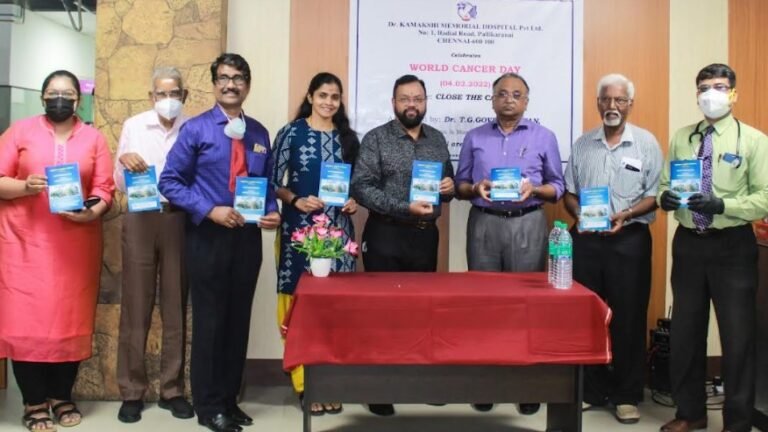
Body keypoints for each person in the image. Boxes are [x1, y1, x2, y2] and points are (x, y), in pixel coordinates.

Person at [158, 53, 281, 432]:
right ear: (214, 84)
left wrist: (272, 210)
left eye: (239, 78)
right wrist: (209, 210)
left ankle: (229, 399)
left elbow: (268, 184)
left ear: (248, 84)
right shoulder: (195, 130)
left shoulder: (259, 133)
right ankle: (208, 405)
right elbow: (169, 182)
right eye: (224, 78)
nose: (231, 84)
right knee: (211, 321)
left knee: (237, 320)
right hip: (208, 236)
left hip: (246, 238)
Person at [0, 70, 115, 431]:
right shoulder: (20, 132)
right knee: (26, 325)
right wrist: (24, 186)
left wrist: (90, 211)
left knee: (69, 321)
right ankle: (34, 402)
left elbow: (104, 189)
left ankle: (62, 396)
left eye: (67, 93)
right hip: (24, 246)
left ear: (78, 100)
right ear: (42, 97)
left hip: (74, 247)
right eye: (53, 92)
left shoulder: (93, 138)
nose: (59, 98)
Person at [658, 63, 768, 432]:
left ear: (733, 93)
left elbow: (765, 198)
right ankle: (690, 413)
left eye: (720, 87)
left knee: (738, 337)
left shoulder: (753, 140)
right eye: (704, 87)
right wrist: (666, 199)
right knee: (686, 332)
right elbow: (663, 183)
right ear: (696, 94)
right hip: (689, 243)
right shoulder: (682, 136)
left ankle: (736, 423)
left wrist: (723, 205)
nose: (711, 94)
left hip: (733, 246)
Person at [454, 72, 565, 414]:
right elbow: (460, 186)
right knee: (484, 307)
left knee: (526, 306)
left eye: (517, 94)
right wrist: (475, 189)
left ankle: (526, 387)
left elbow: (557, 186)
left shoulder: (544, 137)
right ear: (492, 98)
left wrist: (536, 189)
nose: (509, 99)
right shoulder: (474, 137)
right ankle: (486, 385)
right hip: (484, 224)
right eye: (502, 93)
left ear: (526, 101)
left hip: (529, 223)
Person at [351, 74, 454, 416]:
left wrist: (449, 187)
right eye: (405, 98)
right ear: (394, 103)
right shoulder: (376, 138)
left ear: (426, 102)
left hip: (425, 236)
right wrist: (401, 207)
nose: (412, 104)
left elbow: (448, 183)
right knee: (384, 315)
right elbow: (362, 186)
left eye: (418, 98)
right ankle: (381, 390)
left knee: (422, 313)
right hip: (386, 235)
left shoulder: (437, 139)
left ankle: (420, 383)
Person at [563, 73, 663, 424]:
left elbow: (654, 196)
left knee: (629, 318)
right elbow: (570, 193)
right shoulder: (582, 144)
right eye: (606, 99)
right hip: (588, 241)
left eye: (619, 100)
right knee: (588, 315)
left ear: (630, 105)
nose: (612, 106)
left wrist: (628, 213)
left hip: (629, 241)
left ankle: (626, 395)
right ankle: (593, 390)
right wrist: (580, 213)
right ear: (597, 103)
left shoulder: (646, 144)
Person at [271, 72, 359, 416]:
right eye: (322, 95)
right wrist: (295, 200)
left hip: (339, 236)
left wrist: (352, 202)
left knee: (336, 310)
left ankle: (331, 382)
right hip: (299, 234)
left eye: (334, 97)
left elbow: (358, 186)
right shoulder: (291, 134)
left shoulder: (348, 138)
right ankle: (306, 384)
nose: (328, 102)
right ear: (310, 96)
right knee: (301, 307)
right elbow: (273, 183)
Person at [113, 66, 194, 423]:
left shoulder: (193, 129)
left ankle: (172, 389)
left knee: (175, 305)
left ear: (184, 96)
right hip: (141, 217)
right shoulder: (134, 126)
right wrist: (124, 164)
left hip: (179, 218)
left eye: (174, 93)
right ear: (151, 97)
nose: (168, 100)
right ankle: (132, 390)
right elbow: (117, 182)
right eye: (161, 94)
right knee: (135, 305)